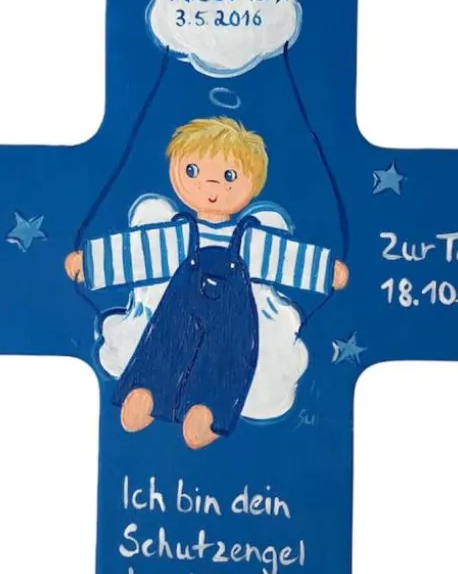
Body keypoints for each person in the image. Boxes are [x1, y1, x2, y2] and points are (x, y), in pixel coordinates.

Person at [65, 117, 349, 449]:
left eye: (229, 176)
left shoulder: (251, 240)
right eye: (193, 171)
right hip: (180, 311)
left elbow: (285, 260)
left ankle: (209, 412)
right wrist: (90, 263)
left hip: (232, 319)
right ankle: (147, 391)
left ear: (253, 183)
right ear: (175, 173)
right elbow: (136, 254)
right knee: (165, 343)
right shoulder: (178, 234)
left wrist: (324, 271)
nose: (211, 185)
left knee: (227, 359)